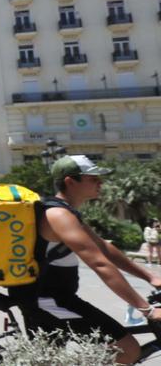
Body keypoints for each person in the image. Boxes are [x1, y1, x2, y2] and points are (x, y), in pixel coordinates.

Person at [9, 155, 161, 365]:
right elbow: (99, 263)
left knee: (52, 359)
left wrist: (150, 277)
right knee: (128, 350)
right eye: (93, 178)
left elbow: (104, 249)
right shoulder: (58, 215)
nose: (101, 183)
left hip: (56, 298)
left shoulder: (67, 212)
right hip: (48, 300)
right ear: (71, 181)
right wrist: (146, 309)